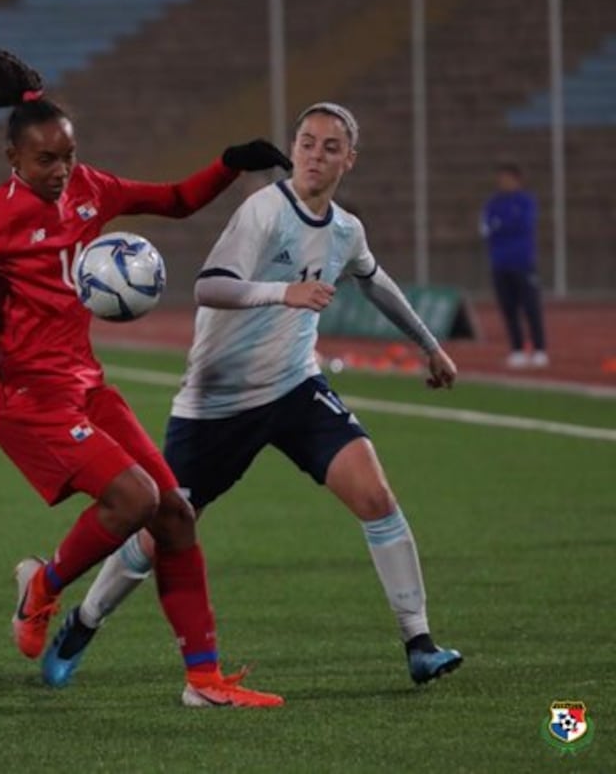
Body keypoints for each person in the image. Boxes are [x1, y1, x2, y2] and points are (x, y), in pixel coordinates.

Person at [0, 45, 292, 708]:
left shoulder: (90, 189)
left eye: (67, 155)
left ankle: (204, 680)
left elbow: (172, 200)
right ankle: (43, 587)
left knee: (174, 513)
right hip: (24, 397)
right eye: (45, 159)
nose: (60, 170)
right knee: (133, 499)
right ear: (13, 159)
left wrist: (227, 163)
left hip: (83, 383)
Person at [45, 102, 464, 689]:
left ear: (350, 159)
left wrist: (430, 345)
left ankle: (419, 641)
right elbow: (209, 286)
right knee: (163, 528)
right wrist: (282, 293)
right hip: (215, 404)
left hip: (295, 388)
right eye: (308, 143)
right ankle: (85, 620)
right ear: (294, 149)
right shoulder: (263, 211)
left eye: (330, 147)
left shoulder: (346, 230)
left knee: (375, 495)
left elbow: (374, 280)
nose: (316, 155)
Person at [480, 162, 547, 368]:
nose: (503, 182)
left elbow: (522, 225)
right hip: (500, 263)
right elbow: (485, 228)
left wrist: (501, 225)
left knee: (531, 307)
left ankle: (539, 349)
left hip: (522, 262)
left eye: (507, 178)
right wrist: (502, 225)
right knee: (508, 309)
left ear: (517, 179)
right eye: (501, 178)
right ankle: (517, 349)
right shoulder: (493, 203)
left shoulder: (525, 201)